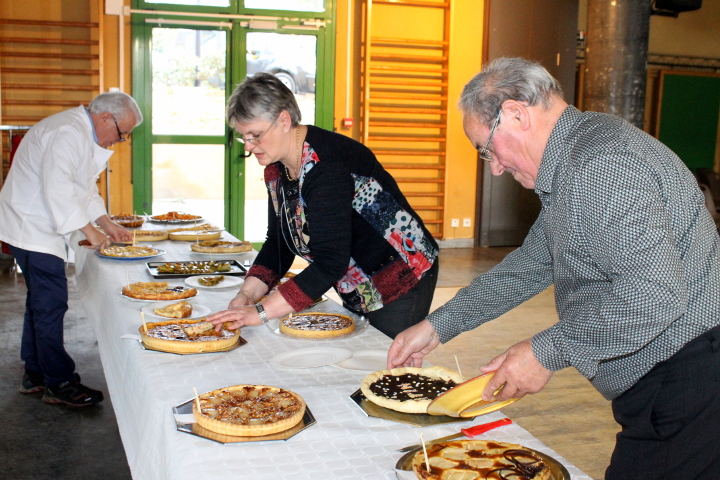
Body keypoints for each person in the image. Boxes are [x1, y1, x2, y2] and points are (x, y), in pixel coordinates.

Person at [387, 57, 720, 478]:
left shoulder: (601, 165)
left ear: (516, 114)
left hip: (690, 373)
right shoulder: (576, 157)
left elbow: (654, 294)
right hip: (674, 372)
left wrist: (544, 352)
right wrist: (438, 325)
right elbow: (529, 265)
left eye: (487, 149)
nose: (495, 166)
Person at [208, 73, 438, 338]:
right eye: (243, 137)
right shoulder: (276, 168)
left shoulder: (326, 166)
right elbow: (279, 243)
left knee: (384, 360)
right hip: (357, 279)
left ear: (284, 120)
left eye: (255, 135)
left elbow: (330, 262)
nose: (249, 146)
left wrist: (260, 313)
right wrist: (247, 295)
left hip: (400, 275)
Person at [0, 92, 143, 407]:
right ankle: (59, 382)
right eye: (122, 134)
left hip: (37, 221)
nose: (121, 141)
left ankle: (35, 373)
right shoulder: (67, 132)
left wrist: (107, 224)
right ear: (106, 117)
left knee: (39, 302)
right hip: (31, 224)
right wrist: (90, 231)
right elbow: (59, 189)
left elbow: (84, 188)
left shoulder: (81, 132)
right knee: (51, 304)